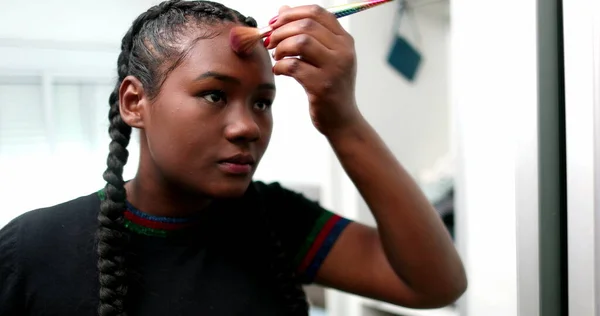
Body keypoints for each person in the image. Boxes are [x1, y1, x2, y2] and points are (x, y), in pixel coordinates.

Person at [0, 1, 467, 315]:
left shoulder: (276, 221)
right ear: (134, 102)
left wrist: (342, 118)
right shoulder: (30, 249)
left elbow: (435, 283)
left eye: (262, 102)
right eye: (214, 95)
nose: (248, 127)